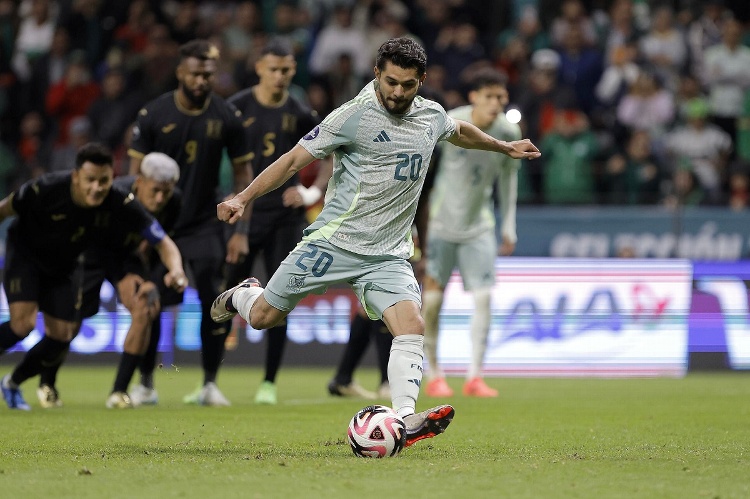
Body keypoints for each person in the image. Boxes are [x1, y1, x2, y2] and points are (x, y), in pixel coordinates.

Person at [209, 37, 541, 446]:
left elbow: (458, 131)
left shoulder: (431, 114)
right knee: (262, 317)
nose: (398, 92)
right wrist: (243, 197)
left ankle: (404, 419)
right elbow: (294, 160)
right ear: (376, 75)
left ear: (421, 80)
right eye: (390, 82)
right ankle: (244, 295)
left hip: (387, 254)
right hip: (334, 243)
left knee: (411, 325)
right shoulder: (351, 116)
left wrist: (503, 146)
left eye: (407, 84)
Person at [0, 143, 186, 410]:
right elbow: (5, 209)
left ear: (112, 178)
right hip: (30, 256)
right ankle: (46, 384)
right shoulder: (46, 187)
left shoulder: (119, 201)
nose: (97, 188)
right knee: (23, 323)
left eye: (104, 181)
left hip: (69, 263)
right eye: (90, 180)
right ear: (76, 176)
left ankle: (12, 383)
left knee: (63, 334)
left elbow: (163, 242)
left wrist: (176, 271)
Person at [127, 39, 254, 407]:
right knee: (152, 303)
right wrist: (138, 229)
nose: (202, 80)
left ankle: (210, 384)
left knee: (214, 302)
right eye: (196, 73)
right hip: (160, 227)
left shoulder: (227, 116)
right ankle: (146, 383)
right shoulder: (154, 114)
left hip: (205, 226)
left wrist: (239, 233)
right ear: (181, 72)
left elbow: (244, 176)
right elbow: (135, 177)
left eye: (208, 74)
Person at [223, 38, 331, 405]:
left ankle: (268, 383)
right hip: (245, 216)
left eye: (286, 70)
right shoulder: (236, 108)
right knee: (225, 294)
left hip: (285, 219)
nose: (280, 76)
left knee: (279, 299)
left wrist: (310, 193)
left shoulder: (301, 112)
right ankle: (209, 378)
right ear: (259, 68)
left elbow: (329, 157)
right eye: (274, 69)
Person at [421, 68, 520, 399]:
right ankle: (434, 374)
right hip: (441, 224)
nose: (496, 103)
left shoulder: (509, 130)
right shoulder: (451, 122)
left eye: (501, 97)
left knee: (484, 298)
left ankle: (475, 376)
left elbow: (508, 179)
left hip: (479, 225)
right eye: (490, 96)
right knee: (432, 303)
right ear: (474, 97)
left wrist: (508, 224)